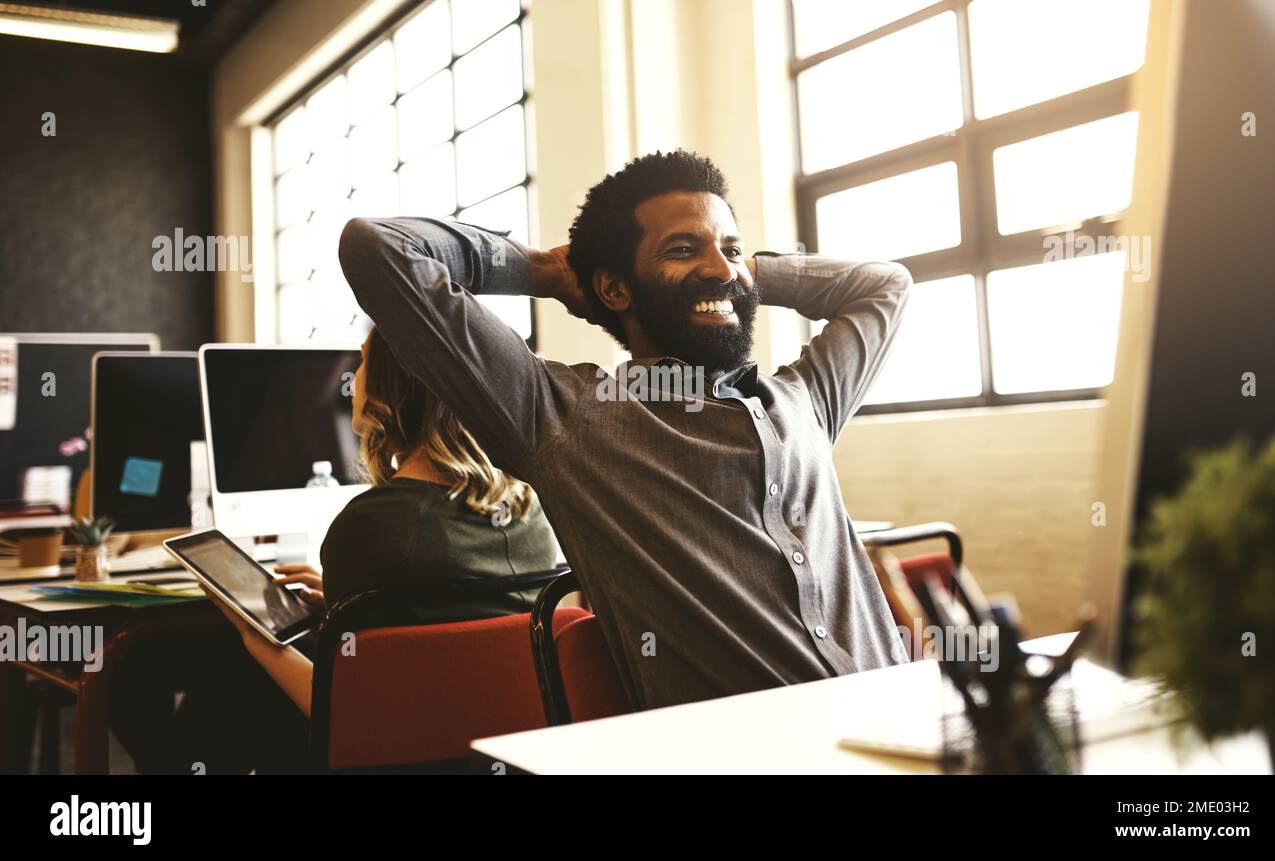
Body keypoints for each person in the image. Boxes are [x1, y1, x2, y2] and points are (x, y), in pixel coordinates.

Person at [337, 149, 913, 712]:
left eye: (730, 247)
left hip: (907, 724)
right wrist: (547, 273)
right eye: (682, 249)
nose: (719, 264)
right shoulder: (566, 418)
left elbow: (886, 286)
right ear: (614, 289)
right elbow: (377, 247)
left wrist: (738, 272)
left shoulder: (804, 398)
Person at [191, 328, 559, 765]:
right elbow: (459, 638)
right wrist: (344, 608)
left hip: (400, 755)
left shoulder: (370, 525)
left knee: (225, 678)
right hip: (509, 752)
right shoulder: (531, 508)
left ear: (392, 389)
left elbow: (344, 712)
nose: (353, 377)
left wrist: (255, 634)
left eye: (363, 362)